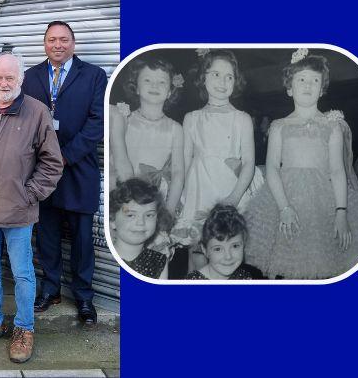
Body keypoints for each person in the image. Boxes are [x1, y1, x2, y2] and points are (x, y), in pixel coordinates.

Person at [0, 53, 63, 364]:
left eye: (10, 78)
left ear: (21, 80)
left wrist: (30, 193)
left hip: (19, 211)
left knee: (22, 273)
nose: (4, 83)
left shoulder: (37, 112)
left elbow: (53, 162)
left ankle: (24, 328)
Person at [245, 50, 358, 279]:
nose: (308, 85)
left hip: (324, 199)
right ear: (289, 87)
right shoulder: (279, 126)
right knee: (289, 262)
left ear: (322, 88)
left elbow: (337, 170)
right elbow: (272, 168)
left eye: (315, 80)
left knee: (323, 260)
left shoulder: (332, 125)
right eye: (301, 79)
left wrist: (341, 212)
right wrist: (284, 207)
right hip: (284, 198)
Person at [22, 21, 106, 324]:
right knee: (47, 235)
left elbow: (97, 123)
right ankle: (50, 289)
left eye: (64, 40)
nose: (58, 45)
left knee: (83, 240)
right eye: (52, 40)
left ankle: (84, 298)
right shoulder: (30, 76)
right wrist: (44, 161)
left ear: (73, 43)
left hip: (78, 170)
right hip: (41, 173)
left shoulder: (94, 76)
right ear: (44, 44)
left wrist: (64, 157)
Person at [172, 49, 262, 274]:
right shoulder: (192, 118)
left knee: (228, 253)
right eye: (216, 75)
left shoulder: (241, 119)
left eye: (229, 76)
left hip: (232, 190)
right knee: (198, 254)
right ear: (203, 78)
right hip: (200, 190)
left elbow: (249, 162)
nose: (223, 82)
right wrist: (178, 198)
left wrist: (234, 197)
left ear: (236, 81)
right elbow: (183, 162)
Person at [111, 56, 185, 213]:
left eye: (162, 82)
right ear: (136, 87)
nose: (154, 86)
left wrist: (169, 211)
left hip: (157, 198)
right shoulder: (126, 119)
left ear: (170, 91)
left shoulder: (175, 128)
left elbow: (178, 173)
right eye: (147, 80)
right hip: (124, 194)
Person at [110, 178, 174, 280]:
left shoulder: (159, 261)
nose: (141, 222)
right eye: (131, 215)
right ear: (112, 220)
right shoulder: (103, 257)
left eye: (149, 215)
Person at [187, 204, 264, 280]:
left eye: (235, 246)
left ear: (243, 244)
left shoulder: (249, 277)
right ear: (204, 250)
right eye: (218, 249)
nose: (228, 257)